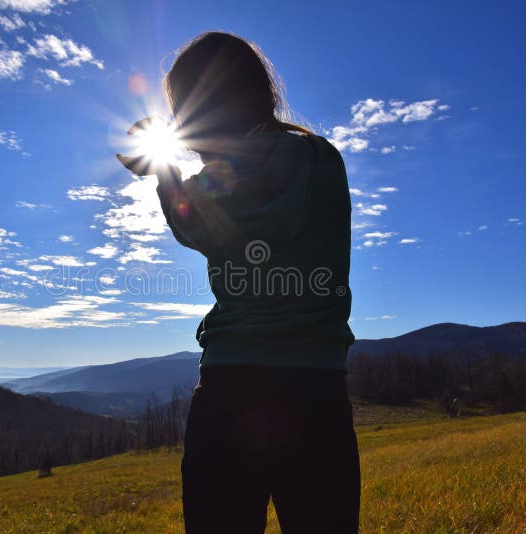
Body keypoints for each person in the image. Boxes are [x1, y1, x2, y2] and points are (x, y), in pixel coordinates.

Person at [117, 31, 360, 534]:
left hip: (229, 388)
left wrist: (164, 170)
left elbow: (192, 224)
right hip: (317, 390)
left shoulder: (216, 176)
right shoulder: (322, 159)